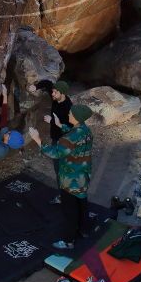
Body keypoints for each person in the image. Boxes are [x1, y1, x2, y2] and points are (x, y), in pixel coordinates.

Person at [28, 104, 94, 250]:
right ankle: (84, 230)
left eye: (71, 113)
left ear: (76, 117)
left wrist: (38, 140)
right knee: (82, 203)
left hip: (70, 180)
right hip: (83, 175)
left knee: (69, 210)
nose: (69, 114)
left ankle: (69, 241)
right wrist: (58, 124)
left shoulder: (70, 137)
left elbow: (56, 153)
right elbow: (73, 135)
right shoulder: (86, 130)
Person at [27, 79, 73, 204]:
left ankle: (65, 197)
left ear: (62, 93)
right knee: (58, 169)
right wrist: (35, 87)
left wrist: (53, 122)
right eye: (52, 92)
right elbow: (47, 83)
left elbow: (70, 127)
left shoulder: (68, 107)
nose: (52, 94)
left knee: (60, 170)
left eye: (55, 93)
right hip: (55, 137)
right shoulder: (56, 95)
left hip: (62, 140)